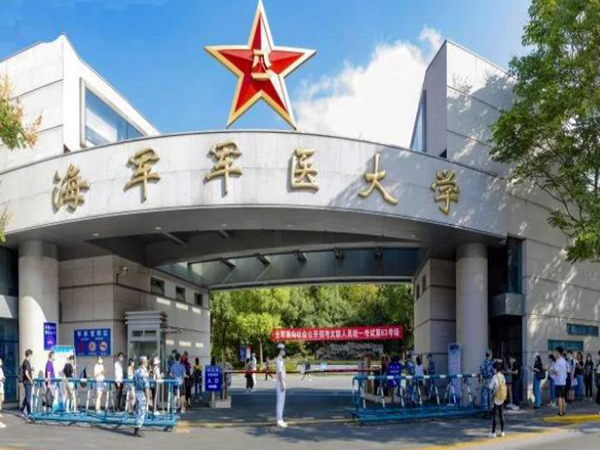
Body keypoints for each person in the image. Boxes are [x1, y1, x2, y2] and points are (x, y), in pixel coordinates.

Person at [133, 356, 150, 438]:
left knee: (137, 411)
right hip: (142, 393)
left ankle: (136, 429)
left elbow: (133, 382)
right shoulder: (144, 373)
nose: (147, 363)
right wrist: (148, 398)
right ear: (144, 362)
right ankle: (138, 430)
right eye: (146, 361)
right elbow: (146, 387)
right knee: (141, 411)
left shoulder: (136, 371)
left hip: (137, 392)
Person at [489, 361, 507, 438]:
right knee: (501, 414)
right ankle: (502, 431)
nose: (493, 370)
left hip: (496, 397)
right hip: (502, 396)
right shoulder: (503, 376)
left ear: (496, 369)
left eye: (494, 368)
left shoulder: (494, 377)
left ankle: (493, 432)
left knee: (494, 415)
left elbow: (490, 387)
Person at [275, 343, 287, 428]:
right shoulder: (279, 360)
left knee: (282, 401)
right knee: (280, 402)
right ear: (280, 351)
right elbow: (279, 373)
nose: (284, 351)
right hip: (280, 382)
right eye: (283, 350)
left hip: (281, 381)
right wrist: (282, 383)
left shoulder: (281, 360)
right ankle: (279, 420)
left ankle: (280, 419)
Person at [479, 350, 494, 415]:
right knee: (490, 395)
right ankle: (490, 410)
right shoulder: (492, 363)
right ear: (490, 355)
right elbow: (494, 371)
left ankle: (485, 411)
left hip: (485, 381)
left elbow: (481, 372)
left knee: (484, 395)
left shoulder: (483, 363)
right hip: (490, 381)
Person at [19, 349, 34, 417]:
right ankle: (29, 412)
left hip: (25, 382)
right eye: (31, 355)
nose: (32, 357)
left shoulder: (24, 362)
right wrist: (30, 380)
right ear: (29, 355)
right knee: (28, 398)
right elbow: (26, 373)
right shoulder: (27, 362)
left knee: (27, 397)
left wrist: (32, 370)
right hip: (28, 382)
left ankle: (21, 410)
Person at [554, 346, 568, 416]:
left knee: (559, 398)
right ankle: (564, 411)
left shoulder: (558, 361)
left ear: (558, 352)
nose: (555, 353)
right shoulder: (564, 361)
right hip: (563, 382)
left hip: (558, 382)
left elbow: (556, 372)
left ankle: (560, 412)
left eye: (555, 352)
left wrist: (550, 371)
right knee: (563, 397)